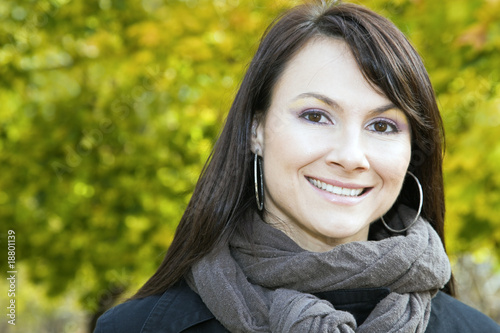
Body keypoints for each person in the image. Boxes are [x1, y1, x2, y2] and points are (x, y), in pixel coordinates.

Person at [94, 1, 500, 332]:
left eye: (382, 125)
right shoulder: (138, 327)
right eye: (316, 116)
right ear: (256, 129)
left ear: (412, 150)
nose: (351, 156)